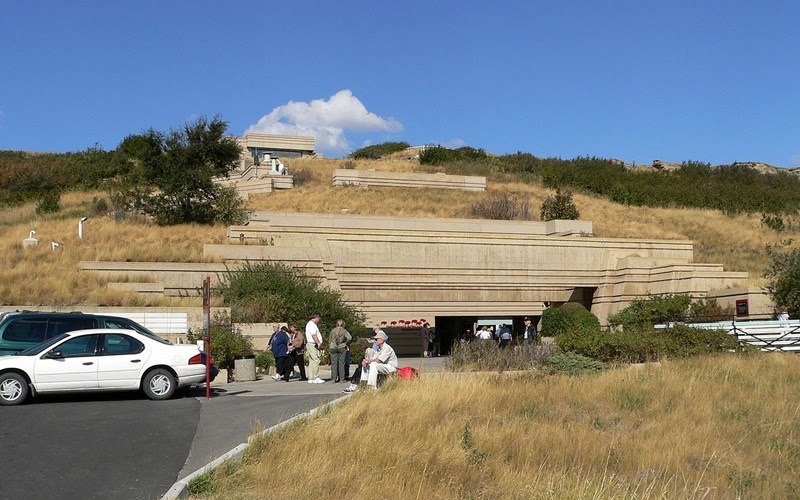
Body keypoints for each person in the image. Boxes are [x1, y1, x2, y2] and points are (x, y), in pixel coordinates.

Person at [305, 313, 324, 384]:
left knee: (312, 361)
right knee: (316, 360)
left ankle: (311, 377)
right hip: (313, 344)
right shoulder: (311, 325)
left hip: (312, 344)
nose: (319, 320)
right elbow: (314, 335)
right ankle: (316, 377)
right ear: (316, 317)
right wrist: (318, 343)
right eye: (318, 318)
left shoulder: (311, 324)